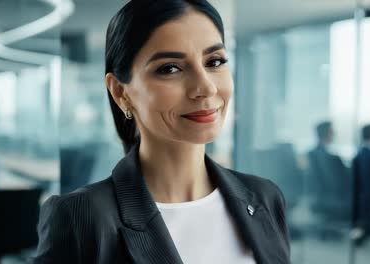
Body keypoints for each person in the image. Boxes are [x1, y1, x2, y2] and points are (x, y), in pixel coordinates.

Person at [33, 1, 291, 263]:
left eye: (215, 61)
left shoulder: (264, 197)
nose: (206, 87)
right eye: (170, 68)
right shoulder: (81, 216)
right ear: (121, 92)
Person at [307, 121, 352, 220]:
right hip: (334, 198)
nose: (335, 134)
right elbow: (342, 180)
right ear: (327, 133)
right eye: (332, 131)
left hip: (321, 197)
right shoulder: (332, 158)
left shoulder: (312, 153)